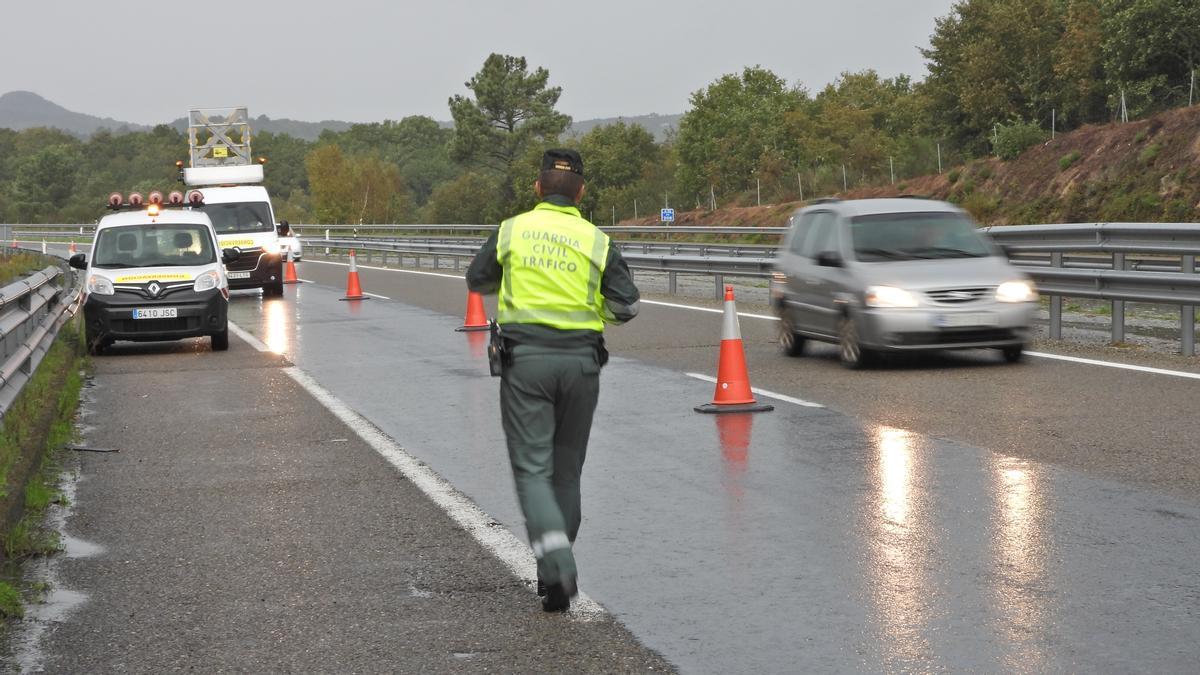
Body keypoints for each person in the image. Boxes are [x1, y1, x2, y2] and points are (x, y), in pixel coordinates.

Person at [466, 148, 640, 612]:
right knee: (567, 471)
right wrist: (588, 316)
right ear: (581, 193)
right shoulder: (597, 241)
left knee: (532, 472)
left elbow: (477, 278)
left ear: (537, 188)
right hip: (582, 364)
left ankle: (558, 563)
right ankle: (552, 577)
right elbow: (625, 305)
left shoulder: (512, 230)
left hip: (527, 364)